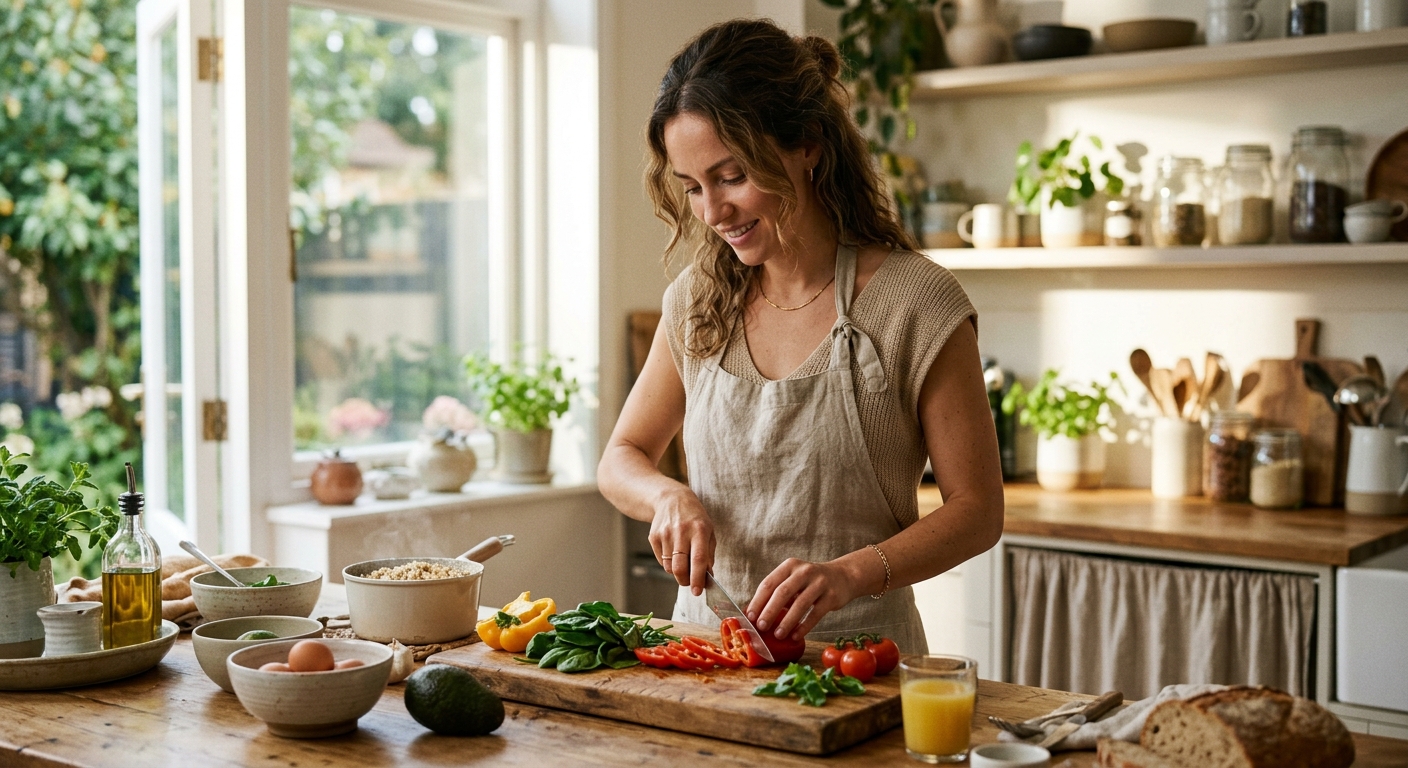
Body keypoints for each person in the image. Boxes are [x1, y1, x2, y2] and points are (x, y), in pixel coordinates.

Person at [597, 18, 1003, 655]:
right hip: (706, 657)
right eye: (693, 188)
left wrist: (850, 574)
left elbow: (977, 511)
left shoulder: (915, 302)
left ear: (808, 144)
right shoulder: (697, 302)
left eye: (733, 176)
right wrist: (666, 495)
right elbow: (621, 457)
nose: (713, 212)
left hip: (858, 665)